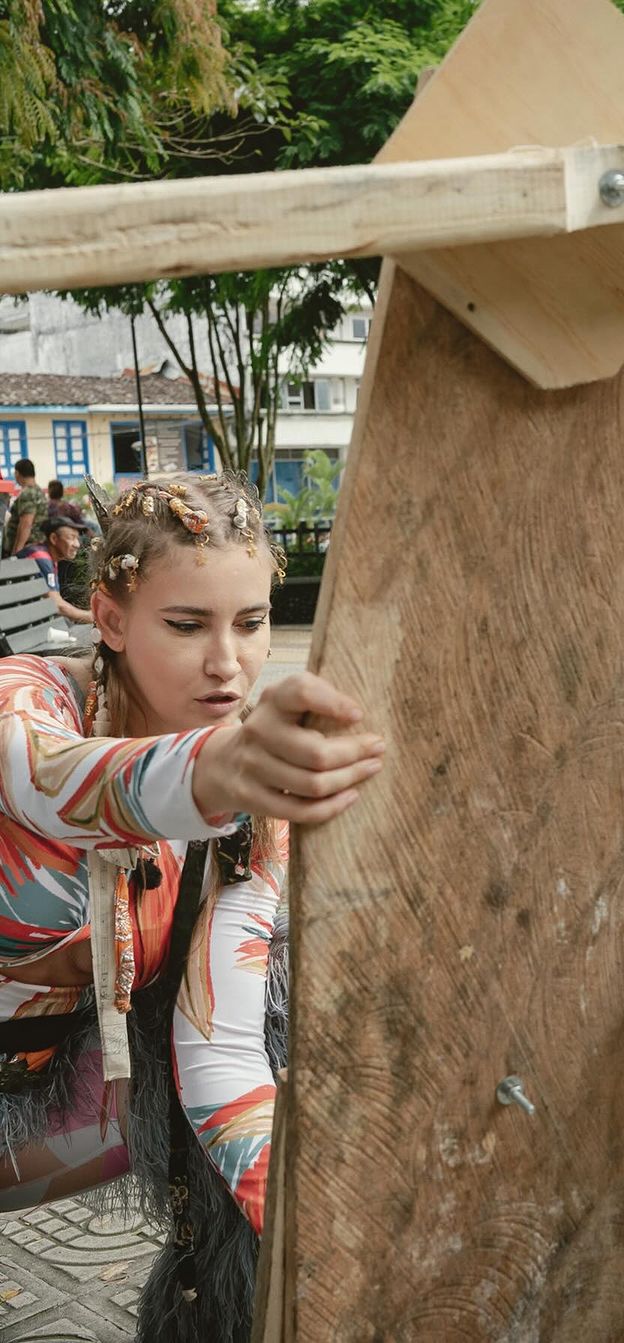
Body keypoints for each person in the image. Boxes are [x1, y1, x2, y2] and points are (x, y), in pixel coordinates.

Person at [0, 472, 384, 1329]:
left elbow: (220, 1047)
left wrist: (337, 1235)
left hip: (78, 1099)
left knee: (304, 1031)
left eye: (250, 624)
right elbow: (54, 784)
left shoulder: (250, 802)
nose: (228, 663)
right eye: (186, 625)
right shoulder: (26, 704)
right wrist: (218, 770)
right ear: (108, 620)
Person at [16, 513, 94, 624]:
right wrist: (90, 617)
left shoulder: (50, 559)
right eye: (71, 537)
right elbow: (57, 605)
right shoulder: (41, 557)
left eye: (77, 538)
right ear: (53, 538)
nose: (77, 544)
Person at [3, 457, 49, 557]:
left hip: (27, 548)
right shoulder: (39, 491)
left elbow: (26, 523)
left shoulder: (27, 493)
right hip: (36, 545)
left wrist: (16, 552)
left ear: (17, 473)